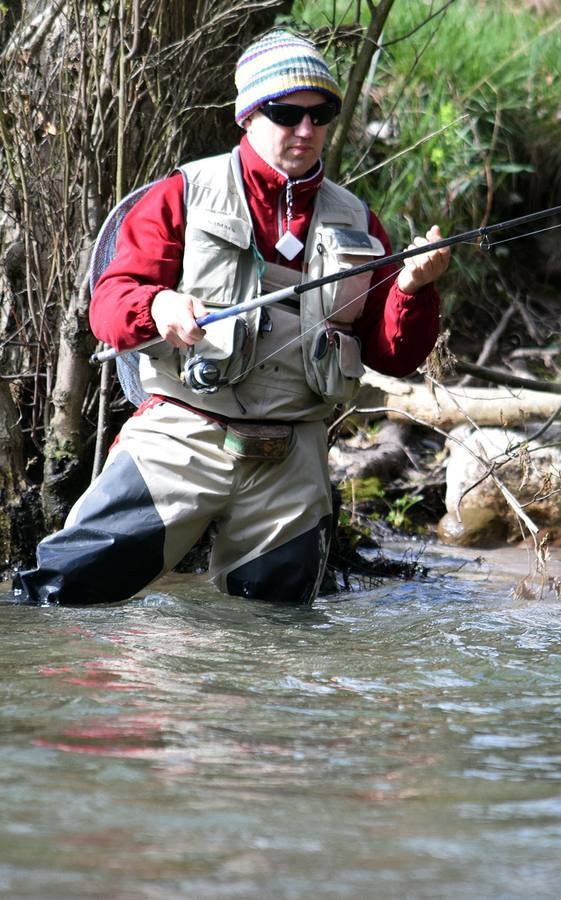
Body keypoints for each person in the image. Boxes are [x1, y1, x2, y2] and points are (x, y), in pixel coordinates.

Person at [15, 30, 448, 605]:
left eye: (321, 115)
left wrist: (414, 288)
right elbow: (110, 304)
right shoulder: (181, 194)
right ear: (248, 116)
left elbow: (392, 354)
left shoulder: (362, 224)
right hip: (182, 434)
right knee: (63, 592)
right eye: (285, 112)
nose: (306, 129)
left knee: (273, 630)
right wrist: (159, 307)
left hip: (294, 461)